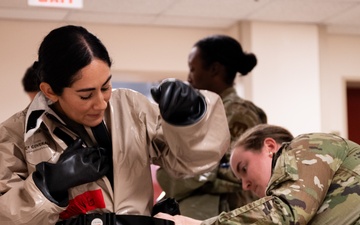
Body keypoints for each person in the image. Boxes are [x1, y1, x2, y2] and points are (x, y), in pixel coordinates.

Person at [0, 25, 231, 225]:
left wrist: (190, 118)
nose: (100, 103)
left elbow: (191, 163)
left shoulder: (131, 108)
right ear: (50, 91)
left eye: (106, 87)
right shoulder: (15, 137)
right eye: (85, 95)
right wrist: (48, 185)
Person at [155, 124, 360, 224]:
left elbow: (286, 214)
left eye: (244, 168)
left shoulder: (306, 145)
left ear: (269, 146)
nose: (244, 185)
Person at [156, 34, 267, 219]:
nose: (189, 78)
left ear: (214, 69)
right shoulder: (199, 114)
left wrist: (188, 173)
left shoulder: (238, 112)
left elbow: (241, 173)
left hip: (228, 214)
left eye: (193, 69)